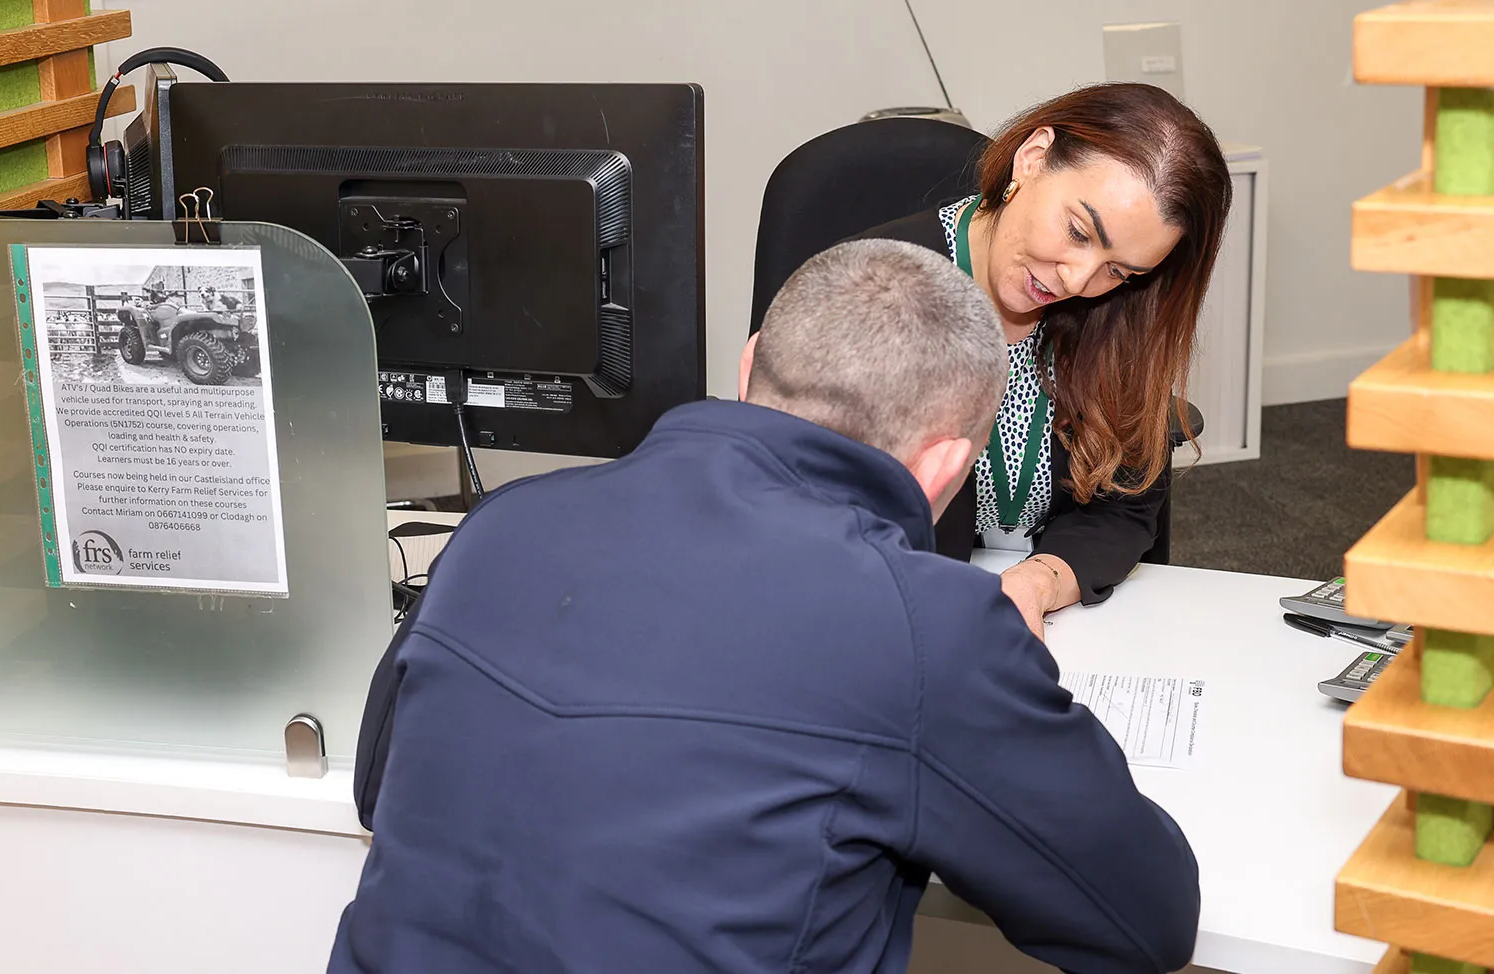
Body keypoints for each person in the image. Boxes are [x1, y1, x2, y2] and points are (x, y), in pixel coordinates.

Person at [332, 239, 1201, 974]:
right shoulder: (924, 627)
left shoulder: (503, 524)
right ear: (944, 463)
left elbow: (381, 788)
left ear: (748, 366)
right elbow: (1146, 918)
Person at [748, 83, 1233, 640]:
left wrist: (1039, 582)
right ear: (1032, 158)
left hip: (1057, 615)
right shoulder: (872, 290)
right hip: (894, 608)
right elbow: (812, 509)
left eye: (1120, 270)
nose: (1078, 280)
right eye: (1078, 231)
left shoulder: (1117, 307)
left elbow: (1124, 506)